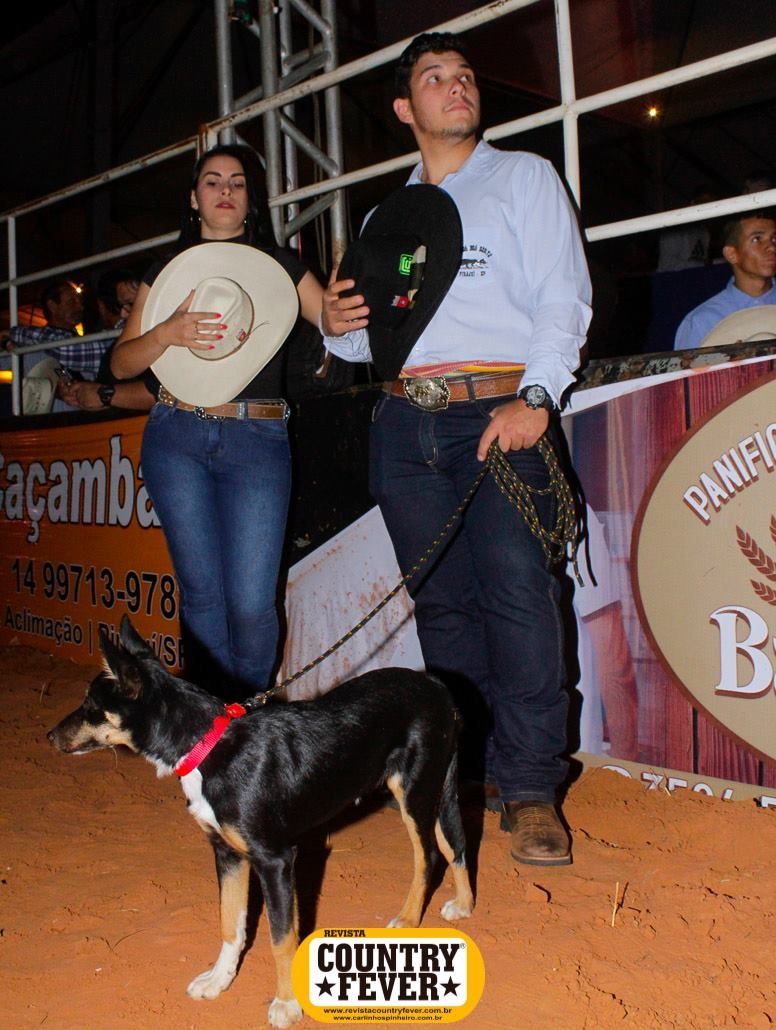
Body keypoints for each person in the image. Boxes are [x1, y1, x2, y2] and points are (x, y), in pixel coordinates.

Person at [322, 32, 592, 866]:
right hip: (405, 420)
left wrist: (536, 397)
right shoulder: (385, 216)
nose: (457, 86)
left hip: (497, 408)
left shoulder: (523, 178)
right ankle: (468, 776)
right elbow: (368, 343)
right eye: (435, 78)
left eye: (466, 75)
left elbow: (563, 297)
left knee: (520, 596)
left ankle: (532, 788)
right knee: (442, 606)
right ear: (405, 108)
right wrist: (335, 324)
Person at [111, 143, 324, 697]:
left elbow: (333, 319)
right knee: (201, 594)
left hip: (257, 436)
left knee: (252, 602)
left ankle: (246, 715)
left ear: (251, 199)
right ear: (194, 198)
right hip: (176, 434)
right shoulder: (167, 270)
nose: (225, 190)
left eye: (237, 182)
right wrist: (166, 333)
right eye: (212, 180)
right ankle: (214, 725)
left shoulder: (282, 266)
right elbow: (122, 363)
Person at [674, 211, 776, 350]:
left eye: (774, 238)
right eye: (757, 239)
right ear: (731, 254)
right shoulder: (703, 320)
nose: (771, 247)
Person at [59, 269, 155, 412]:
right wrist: (81, 395)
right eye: (119, 306)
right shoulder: (118, 347)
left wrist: (104, 395)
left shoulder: (172, 335)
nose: (123, 314)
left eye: (132, 304)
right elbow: (103, 391)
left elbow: (165, 394)